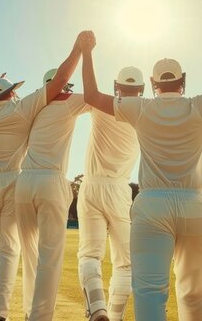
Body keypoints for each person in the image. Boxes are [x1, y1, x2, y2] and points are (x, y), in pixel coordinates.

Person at [80, 32, 202, 320]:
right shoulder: (201, 105)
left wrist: (87, 51)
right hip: (193, 205)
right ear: (183, 81)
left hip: (152, 205)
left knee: (149, 292)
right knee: (193, 294)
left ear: (152, 84)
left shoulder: (141, 107)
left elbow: (91, 96)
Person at [0, 31, 89, 321]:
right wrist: (78, 49)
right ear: (13, 94)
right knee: (9, 249)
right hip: (15, 181)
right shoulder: (22, 108)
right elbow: (57, 84)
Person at [76, 66, 144, 321]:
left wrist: (87, 51)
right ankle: (114, 317)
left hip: (91, 185)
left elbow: (90, 93)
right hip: (119, 190)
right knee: (125, 262)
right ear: (140, 89)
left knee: (90, 254)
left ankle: (97, 309)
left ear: (117, 87)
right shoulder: (144, 112)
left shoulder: (104, 106)